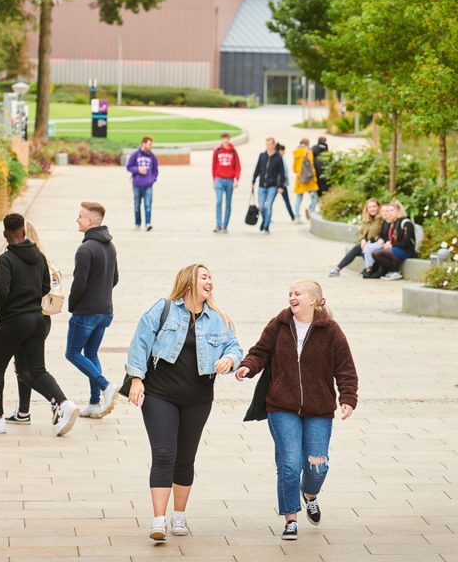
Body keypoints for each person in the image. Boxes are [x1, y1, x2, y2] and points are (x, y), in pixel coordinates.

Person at [125, 264, 243, 541]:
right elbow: (140, 342)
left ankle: (179, 516)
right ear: (189, 282)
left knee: (185, 457)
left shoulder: (219, 319)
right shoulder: (163, 308)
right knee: (164, 453)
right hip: (159, 394)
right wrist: (136, 378)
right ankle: (158, 520)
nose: (210, 281)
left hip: (198, 399)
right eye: (204, 277)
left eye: (211, 277)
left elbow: (234, 347)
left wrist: (230, 359)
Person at [235, 280, 358, 541]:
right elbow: (260, 352)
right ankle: (291, 518)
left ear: (313, 300)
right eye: (290, 293)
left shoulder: (331, 330)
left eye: (298, 293)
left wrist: (348, 397)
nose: (292, 297)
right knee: (289, 464)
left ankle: (310, 494)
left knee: (317, 465)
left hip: (319, 409)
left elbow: (345, 367)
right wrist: (248, 367)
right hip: (282, 406)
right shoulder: (279, 325)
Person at [0, 213, 79, 436]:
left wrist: (1, 312)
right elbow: (44, 286)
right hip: (37, 321)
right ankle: (64, 403)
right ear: (23, 231)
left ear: (5, 235)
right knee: (37, 369)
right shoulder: (40, 257)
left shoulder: (6, 259)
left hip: (13, 321)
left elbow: (1, 291)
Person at [6, 221, 64, 425]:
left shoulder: (22, 260)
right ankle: (23, 412)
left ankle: (58, 401)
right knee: (24, 365)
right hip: (43, 319)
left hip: (26, 318)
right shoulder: (43, 259)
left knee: (28, 370)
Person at [67, 202, 121, 418]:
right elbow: (114, 279)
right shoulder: (110, 246)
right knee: (90, 353)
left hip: (86, 312)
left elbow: (79, 284)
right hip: (105, 311)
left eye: (80, 217)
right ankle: (94, 403)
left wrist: (73, 306)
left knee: (72, 353)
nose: (77, 220)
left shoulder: (85, 249)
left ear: (90, 221)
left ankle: (106, 385)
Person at [329, 198, 383, 277]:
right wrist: (362, 240)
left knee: (363, 250)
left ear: (378, 207)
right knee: (356, 249)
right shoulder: (366, 219)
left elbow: (383, 234)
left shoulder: (381, 219)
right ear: (367, 209)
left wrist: (371, 241)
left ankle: (370, 270)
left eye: (374, 206)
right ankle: (338, 268)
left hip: (376, 244)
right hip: (366, 243)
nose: (372, 209)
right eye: (370, 207)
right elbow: (360, 232)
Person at [371, 201, 416, 281]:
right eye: (388, 211)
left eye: (392, 210)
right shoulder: (393, 223)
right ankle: (392, 270)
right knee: (375, 252)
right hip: (397, 249)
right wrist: (389, 243)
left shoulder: (406, 223)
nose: (389, 213)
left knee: (377, 253)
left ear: (398, 211)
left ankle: (396, 271)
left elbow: (406, 243)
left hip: (407, 251)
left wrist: (392, 245)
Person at [252, 137, 287, 234]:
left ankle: (266, 226)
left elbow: (282, 173)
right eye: (266, 144)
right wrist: (253, 181)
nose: (268, 146)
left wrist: (281, 186)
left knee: (268, 205)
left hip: (273, 186)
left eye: (270, 144)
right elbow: (257, 169)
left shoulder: (278, 157)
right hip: (262, 185)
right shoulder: (262, 156)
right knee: (261, 207)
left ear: (274, 145)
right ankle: (264, 221)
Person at [127, 136, 159, 231]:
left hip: (148, 185)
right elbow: (129, 167)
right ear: (144, 144)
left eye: (151, 145)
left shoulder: (152, 157)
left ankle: (148, 223)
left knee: (148, 205)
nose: (150, 147)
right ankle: (137, 223)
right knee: (137, 205)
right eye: (149, 144)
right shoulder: (135, 155)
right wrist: (138, 170)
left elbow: (155, 171)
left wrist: (152, 179)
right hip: (137, 184)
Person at [211, 132, 240, 234]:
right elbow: (213, 166)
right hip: (219, 179)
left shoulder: (233, 152)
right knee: (219, 201)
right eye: (223, 138)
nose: (225, 140)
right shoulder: (217, 151)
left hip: (229, 180)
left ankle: (225, 225)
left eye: (227, 138)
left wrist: (236, 179)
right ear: (221, 140)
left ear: (229, 139)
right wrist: (214, 180)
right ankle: (218, 225)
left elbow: (237, 166)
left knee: (228, 203)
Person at [293, 138, 319, 222]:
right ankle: (311, 211)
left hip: (299, 178)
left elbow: (294, 168)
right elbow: (311, 165)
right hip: (309, 178)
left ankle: (297, 216)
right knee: (314, 197)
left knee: (298, 198)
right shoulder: (309, 152)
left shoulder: (296, 152)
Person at [277, 143, 297, 222]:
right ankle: (292, 216)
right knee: (286, 201)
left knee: (286, 201)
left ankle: (292, 216)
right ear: (280, 150)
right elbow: (283, 172)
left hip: (282, 184)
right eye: (283, 151)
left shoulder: (281, 158)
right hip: (280, 184)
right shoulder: (279, 159)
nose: (284, 153)